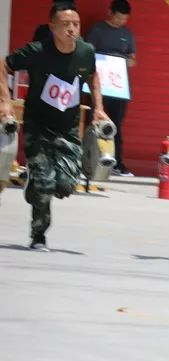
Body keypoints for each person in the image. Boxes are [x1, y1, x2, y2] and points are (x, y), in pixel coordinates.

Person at [0, 1, 109, 251]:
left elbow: (93, 76)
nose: (72, 29)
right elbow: (4, 65)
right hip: (37, 127)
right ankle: (38, 234)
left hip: (67, 129)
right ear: (52, 27)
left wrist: (99, 108)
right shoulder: (38, 51)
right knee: (45, 184)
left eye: (76, 24)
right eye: (65, 24)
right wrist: (5, 102)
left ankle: (34, 183)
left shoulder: (85, 52)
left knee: (65, 185)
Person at [86, 0, 136, 177]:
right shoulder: (97, 30)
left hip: (118, 87)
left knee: (116, 125)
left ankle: (117, 164)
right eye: (118, 18)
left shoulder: (127, 34)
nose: (120, 21)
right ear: (110, 12)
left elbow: (133, 60)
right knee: (93, 122)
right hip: (98, 85)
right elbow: (88, 53)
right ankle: (89, 161)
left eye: (124, 19)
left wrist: (122, 61)